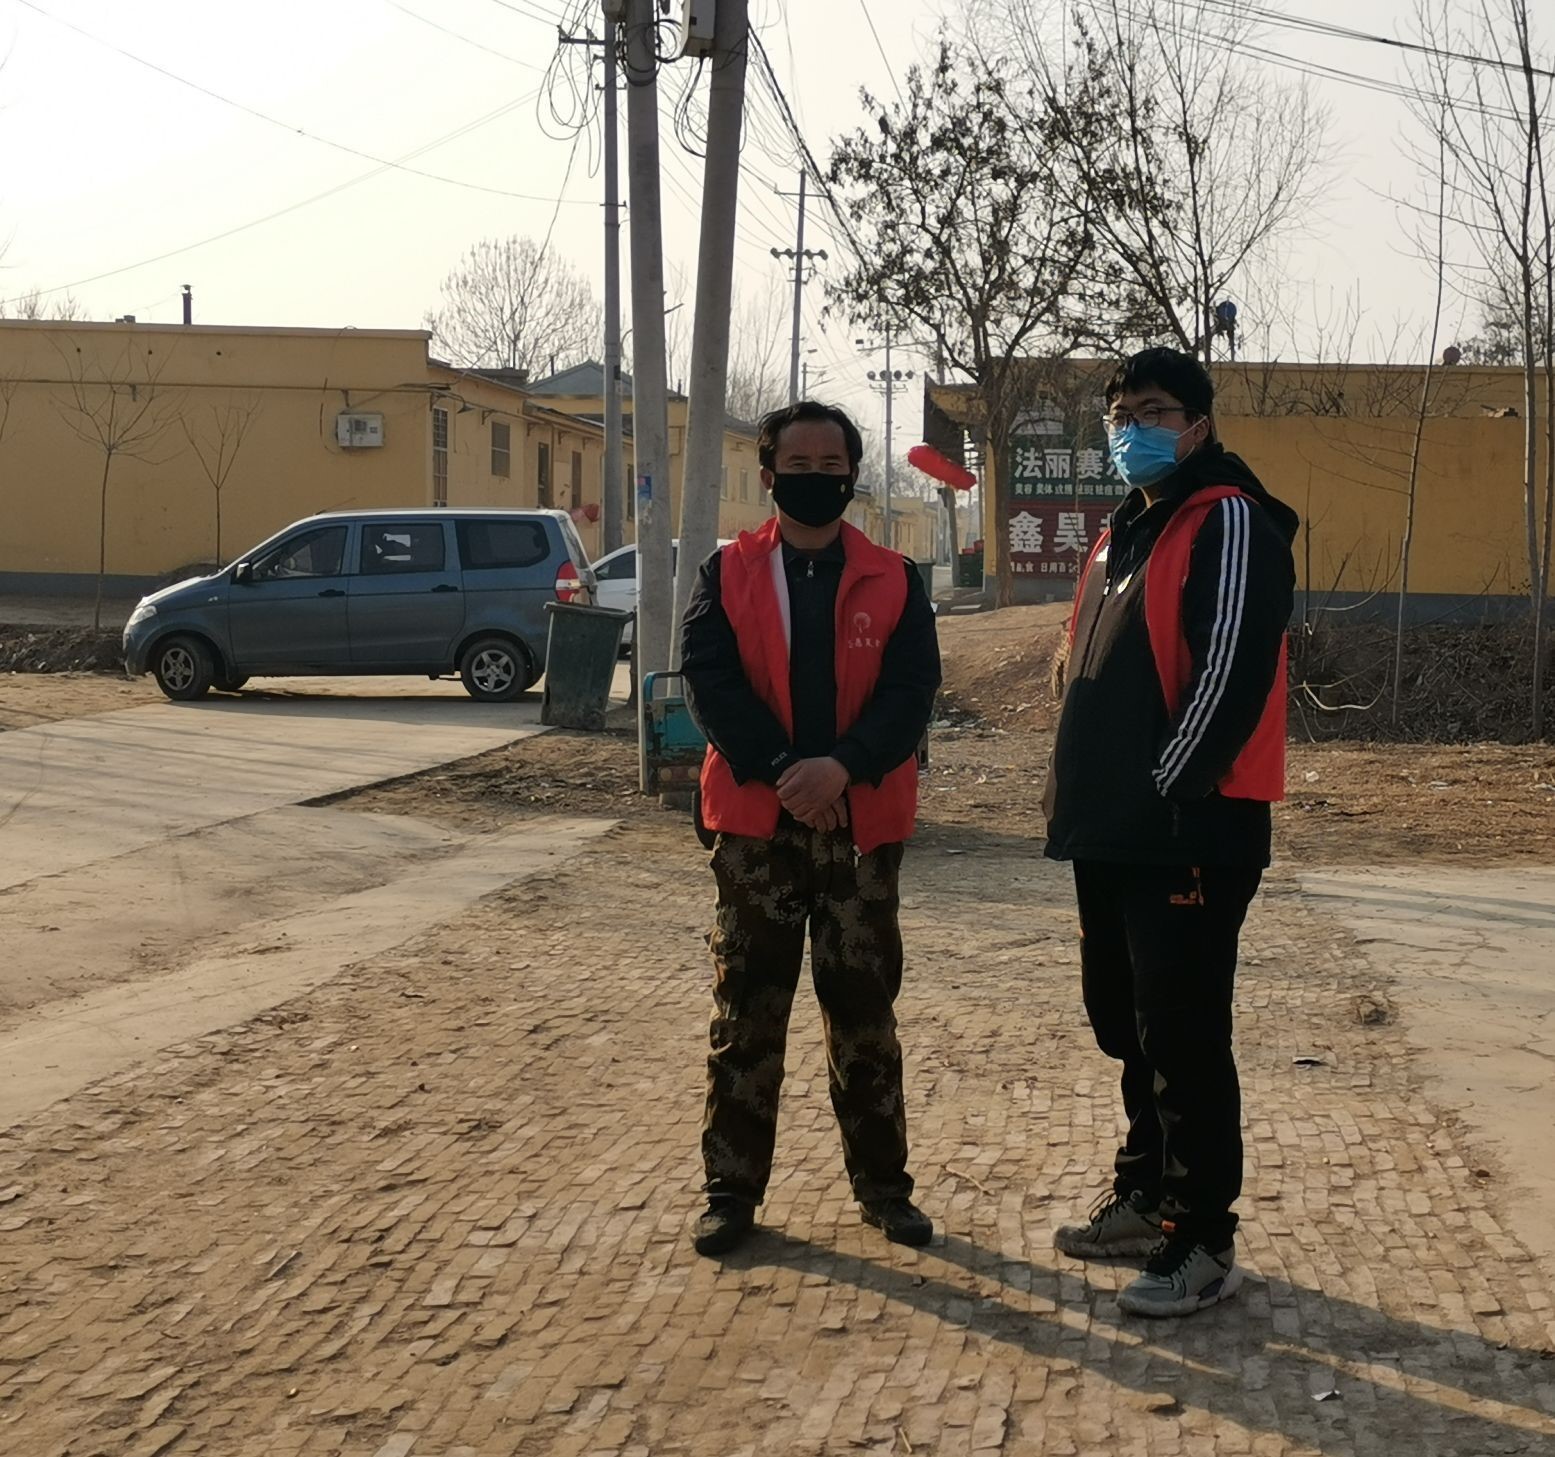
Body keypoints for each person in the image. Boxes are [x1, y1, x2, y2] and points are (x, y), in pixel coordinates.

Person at [1043, 348, 1298, 1317]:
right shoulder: (1124, 531)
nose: (1131, 429)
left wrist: (1166, 789)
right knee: (1126, 1022)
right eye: (1120, 415)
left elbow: (1229, 672)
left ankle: (1200, 1237)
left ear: (1197, 424)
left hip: (1186, 827)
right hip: (1110, 830)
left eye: (1152, 410)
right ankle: (1146, 1194)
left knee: (1183, 1034)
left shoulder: (1228, 520)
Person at [680, 400, 942, 1258]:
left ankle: (883, 1188)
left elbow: (910, 692)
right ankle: (730, 1192)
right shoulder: (726, 572)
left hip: (860, 828)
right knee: (746, 1013)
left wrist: (843, 767)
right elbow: (710, 683)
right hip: (757, 827)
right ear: (768, 476)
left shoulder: (895, 578)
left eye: (833, 465)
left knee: (863, 1012)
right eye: (800, 465)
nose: (818, 478)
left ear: (852, 475)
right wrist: (789, 772)